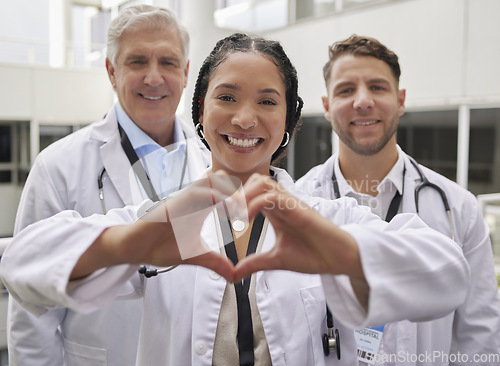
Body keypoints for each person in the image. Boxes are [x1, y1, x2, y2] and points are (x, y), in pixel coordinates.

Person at [1, 33, 469, 366]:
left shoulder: (324, 218)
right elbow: (20, 265)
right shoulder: (170, 220)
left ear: (289, 120)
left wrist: (341, 252)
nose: (245, 119)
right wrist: (131, 243)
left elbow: (448, 276)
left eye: (268, 101)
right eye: (227, 97)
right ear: (200, 111)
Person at [7, 5, 209, 366]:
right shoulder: (59, 166)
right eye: (137, 62)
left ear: (186, 72)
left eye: (167, 62)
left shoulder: (211, 161)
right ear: (111, 72)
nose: (153, 77)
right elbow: (31, 314)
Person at [296, 34, 500, 364]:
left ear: (401, 100)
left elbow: (480, 337)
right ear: (327, 107)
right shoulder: (298, 206)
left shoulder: (458, 208)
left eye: (377, 87)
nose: (362, 101)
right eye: (346, 90)